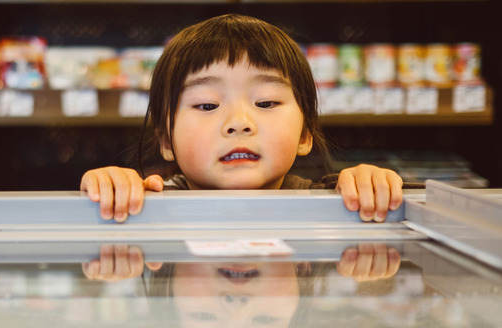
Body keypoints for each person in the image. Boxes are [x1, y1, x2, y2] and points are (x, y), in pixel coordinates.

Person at [80, 14, 417, 223]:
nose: (239, 122)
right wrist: (112, 191)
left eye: (266, 102)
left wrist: (372, 188)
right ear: (166, 140)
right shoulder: (148, 204)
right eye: (208, 106)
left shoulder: (335, 200)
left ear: (305, 134)